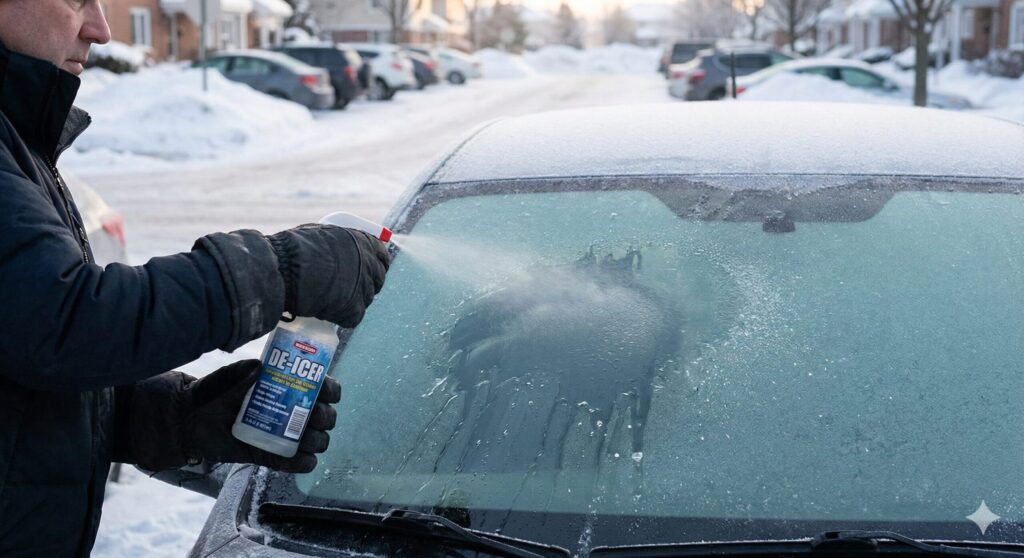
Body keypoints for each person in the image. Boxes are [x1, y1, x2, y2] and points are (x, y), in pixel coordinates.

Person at [0, 0, 390, 555]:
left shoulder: (18, 140)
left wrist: (176, 417)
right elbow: (64, 325)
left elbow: (22, 369)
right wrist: (285, 270)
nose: (101, 29)